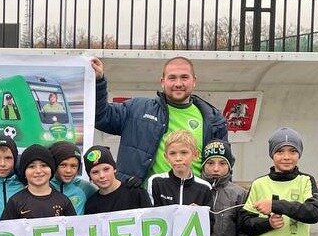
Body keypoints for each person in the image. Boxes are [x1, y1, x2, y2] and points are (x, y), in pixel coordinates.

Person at [91, 55, 227, 184]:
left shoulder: (213, 119)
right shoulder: (137, 109)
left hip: (192, 203)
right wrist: (98, 81)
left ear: (194, 81)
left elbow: (223, 162)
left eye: (184, 77)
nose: (178, 83)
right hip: (146, 202)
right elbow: (101, 116)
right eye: (172, 78)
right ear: (162, 82)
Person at [49, 141, 95, 215]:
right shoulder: (44, 186)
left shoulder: (86, 188)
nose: (68, 171)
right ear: (54, 165)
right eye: (63, 165)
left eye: (73, 166)